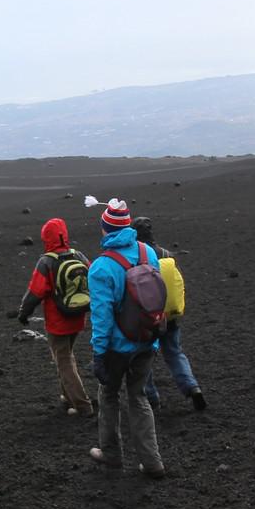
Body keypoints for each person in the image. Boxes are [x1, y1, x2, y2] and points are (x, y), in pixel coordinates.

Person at [87, 199, 165, 478]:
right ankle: (152, 462)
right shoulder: (148, 253)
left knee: (108, 395)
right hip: (147, 339)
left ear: (105, 229)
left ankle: (111, 454)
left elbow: (102, 316)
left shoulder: (101, 267)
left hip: (118, 348)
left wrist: (99, 353)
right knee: (138, 396)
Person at [18, 218, 95, 416]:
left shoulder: (46, 261)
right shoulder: (78, 255)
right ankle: (68, 397)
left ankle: (83, 405)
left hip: (58, 321)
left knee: (64, 361)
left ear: (46, 237)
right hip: (78, 315)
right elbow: (93, 277)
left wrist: (24, 313)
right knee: (66, 355)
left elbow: (35, 293)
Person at [131, 216, 206, 412]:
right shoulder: (166, 254)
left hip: (148, 318)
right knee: (175, 353)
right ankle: (192, 387)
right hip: (170, 316)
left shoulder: (137, 257)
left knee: (143, 356)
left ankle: (151, 398)